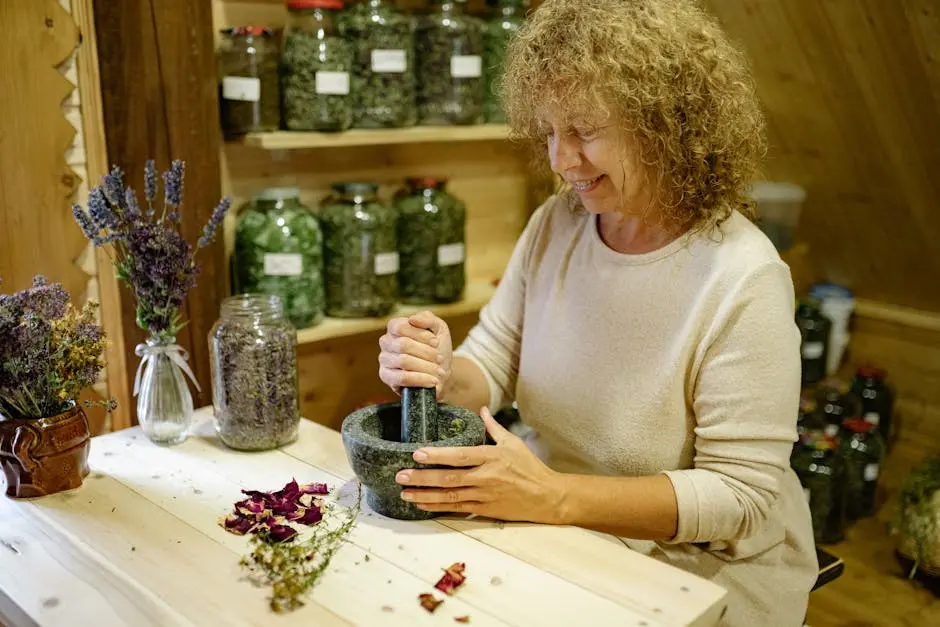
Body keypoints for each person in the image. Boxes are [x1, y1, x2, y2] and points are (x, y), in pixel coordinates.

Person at [376, 1, 818, 625]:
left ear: (665, 124)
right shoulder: (559, 223)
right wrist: (440, 369)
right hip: (555, 518)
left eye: (582, 131)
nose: (559, 160)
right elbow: (492, 361)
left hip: (699, 564)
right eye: (549, 131)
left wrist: (552, 496)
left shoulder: (743, 277)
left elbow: (737, 497)